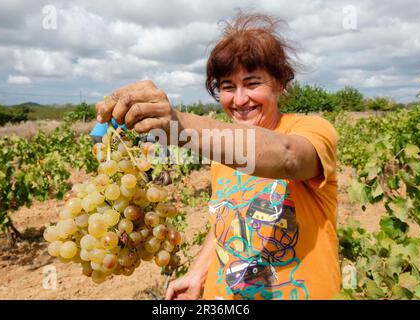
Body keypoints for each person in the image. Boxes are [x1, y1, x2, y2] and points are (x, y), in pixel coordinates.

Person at [95, 12, 340, 300]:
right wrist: (198, 274)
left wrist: (178, 126)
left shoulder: (312, 130)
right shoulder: (223, 153)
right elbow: (229, 217)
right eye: (227, 87)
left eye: (252, 84)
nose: (238, 100)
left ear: (280, 83)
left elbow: (288, 157)